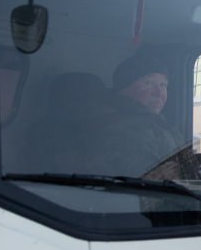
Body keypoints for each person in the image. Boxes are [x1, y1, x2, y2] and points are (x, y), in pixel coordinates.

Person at [81, 49, 192, 178]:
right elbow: (148, 183)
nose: (159, 93)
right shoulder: (118, 131)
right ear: (123, 89)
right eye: (148, 83)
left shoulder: (155, 122)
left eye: (163, 85)